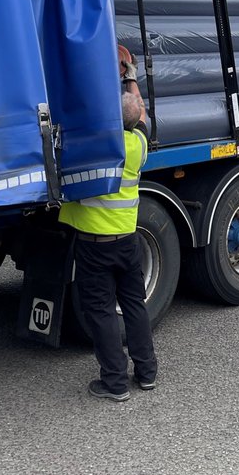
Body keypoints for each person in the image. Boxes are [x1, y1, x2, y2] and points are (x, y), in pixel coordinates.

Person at [57, 45, 157, 402]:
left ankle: (114, 382)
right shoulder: (138, 146)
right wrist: (129, 76)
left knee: (100, 311)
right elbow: (139, 111)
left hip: (94, 246)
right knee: (134, 305)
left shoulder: (94, 146)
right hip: (128, 241)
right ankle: (146, 373)